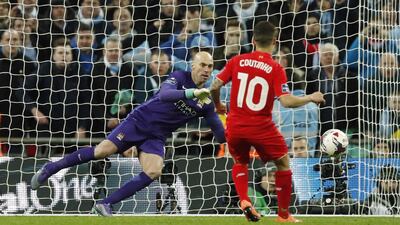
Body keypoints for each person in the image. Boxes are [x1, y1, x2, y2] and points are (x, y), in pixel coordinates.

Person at [31, 51, 226, 216]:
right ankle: (51, 168)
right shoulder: (179, 76)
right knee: (101, 151)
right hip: (138, 122)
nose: (207, 70)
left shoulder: (206, 103)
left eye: (210, 66)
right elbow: (166, 95)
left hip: (156, 136)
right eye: (203, 65)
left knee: (154, 170)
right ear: (193, 65)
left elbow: (220, 134)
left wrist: (237, 126)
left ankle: (106, 203)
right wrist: (192, 93)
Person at [210, 21, 325, 222]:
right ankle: (283, 215)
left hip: (235, 125)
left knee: (240, 161)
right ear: (275, 41)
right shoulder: (275, 68)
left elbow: (214, 85)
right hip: (261, 126)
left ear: (253, 40)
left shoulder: (237, 60)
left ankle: (244, 199)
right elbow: (287, 102)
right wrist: (310, 97)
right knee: (283, 163)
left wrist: (219, 105)